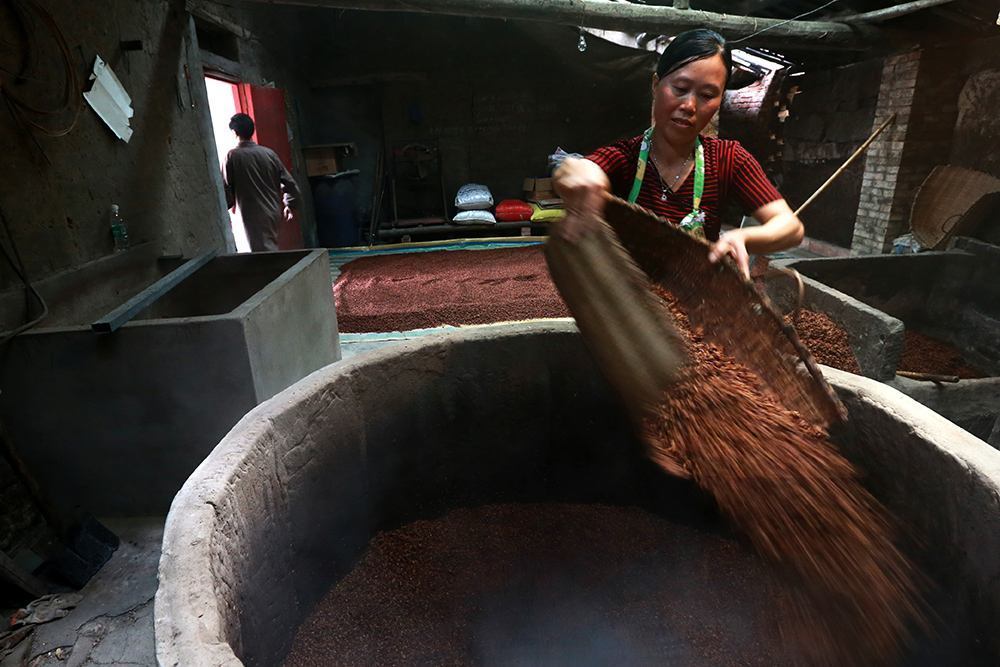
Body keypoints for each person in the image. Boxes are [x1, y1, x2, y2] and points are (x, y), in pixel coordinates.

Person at [553, 29, 803, 278]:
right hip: (626, 302)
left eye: (707, 95)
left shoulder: (728, 159)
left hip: (694, 303)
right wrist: (576, 171)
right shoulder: (625, 159)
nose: (689, 106)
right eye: (680, 88)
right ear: (655, 85)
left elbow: (790, 228)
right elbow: (577, 170)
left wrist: (744, 237)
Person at [223, 113, 301, 252]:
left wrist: (224, 212)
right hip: (272, 212)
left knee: (261, 257)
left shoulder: (233, 156)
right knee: (270, 249)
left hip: (251, 216)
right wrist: (290, 204)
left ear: (235, 132)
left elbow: (225, 190)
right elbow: (290, 184)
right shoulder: (268, 153)